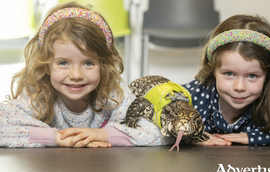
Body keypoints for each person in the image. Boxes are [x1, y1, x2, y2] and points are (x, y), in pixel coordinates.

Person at [0, 1, 174, 148]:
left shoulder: (113, 94)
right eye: (63, 63)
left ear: (103, 65)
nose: (76, 75)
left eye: (88, 63)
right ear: (46, 65)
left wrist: (103, 135)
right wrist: (56, 137)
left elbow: (160, 132)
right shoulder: (38, 95)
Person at [184, 14, 270, 146]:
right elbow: (157, 122)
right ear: (213, 69)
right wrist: (189, 135)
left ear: (268, 75)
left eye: (252, 76)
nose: (239, 87)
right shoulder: (192, 97)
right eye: (229, 73)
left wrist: (255, 136)